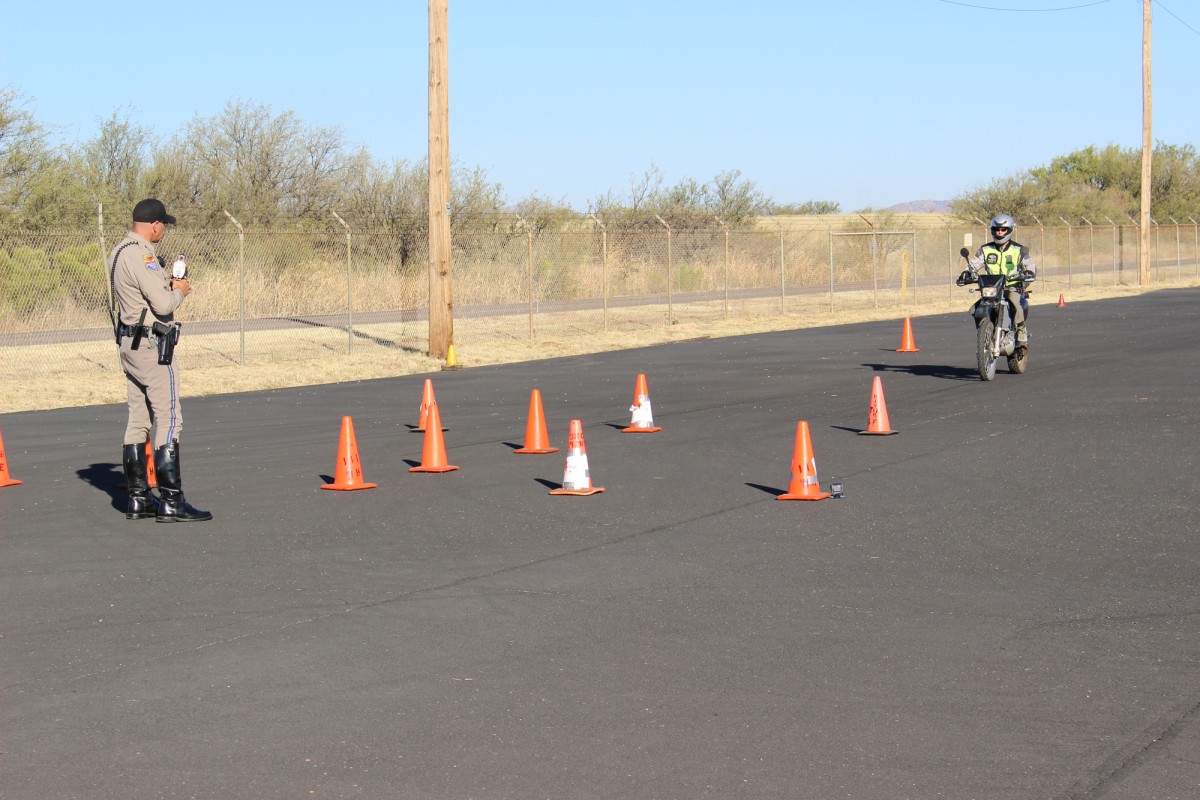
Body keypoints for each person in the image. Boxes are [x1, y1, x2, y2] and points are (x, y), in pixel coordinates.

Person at [110, 199, 211, 522]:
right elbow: (163, 302)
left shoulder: (118, 251)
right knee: (168, 418)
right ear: (154, 224)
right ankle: (172, 499)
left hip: (128, 341)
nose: (162, 231)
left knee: (137, 419)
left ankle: (139, 498)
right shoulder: (142, 255)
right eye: (163, 225)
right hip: (151, 346)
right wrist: (180, 289)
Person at [966, 213, 1037, 344]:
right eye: (997, 230)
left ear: (1010, 230)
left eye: (1003, 230)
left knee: (1015, 302)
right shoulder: (985, 249)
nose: (999, 232)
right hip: (992, 286)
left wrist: (1029, 273)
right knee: (974, 309)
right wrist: (967, 273)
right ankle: (984, 331)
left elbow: (1030, 265)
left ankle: (1021, 329)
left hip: (1012, 285)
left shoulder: (1018, 249)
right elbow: (973, 265)